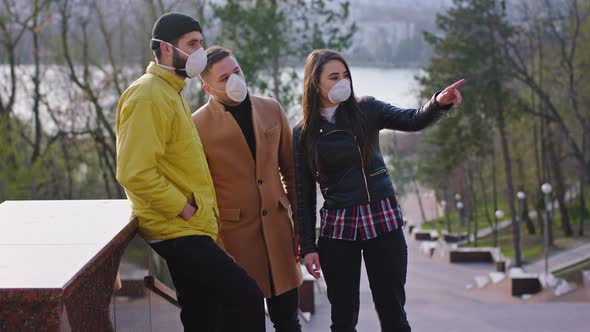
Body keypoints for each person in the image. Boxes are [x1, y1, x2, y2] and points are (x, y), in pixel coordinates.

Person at [293, 49, 464, 332]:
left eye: (345, 74)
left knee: (393, 313)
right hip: (338, 227)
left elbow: (411, 119)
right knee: (343, 319)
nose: (342, 82)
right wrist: (308, 247)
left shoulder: (367, 109)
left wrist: (438, 103)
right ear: (315, 82)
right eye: (333, 77)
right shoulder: (303, 133)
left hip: (382, 219)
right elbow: (304, 193)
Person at [115, 13, 265, 332]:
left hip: (188, 225)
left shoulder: (170, 91)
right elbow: (134, 171)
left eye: (201, 42)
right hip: (175, 227)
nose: (200, 51)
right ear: (166, 49)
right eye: (192, 44)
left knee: (202, 313)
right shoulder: (148, 94)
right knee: (247, 296)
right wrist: (183, 208)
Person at [192, 46, 303, 332]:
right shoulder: (196, 126)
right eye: (224, 77)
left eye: (236, 71)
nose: (234, 80)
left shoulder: (271, 108)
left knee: (289, 321)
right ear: (207, 87)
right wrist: (215, 246)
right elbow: (198, 193)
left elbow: (291, 172)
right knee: (243, 324)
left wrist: (300, 227)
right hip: (234, 240)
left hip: (279, 233)